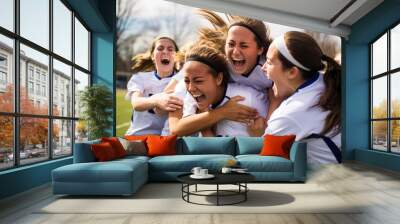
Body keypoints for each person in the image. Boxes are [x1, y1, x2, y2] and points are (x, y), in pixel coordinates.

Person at [261, 31, 341, 164]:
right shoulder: (328, 81)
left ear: (292, 72)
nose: (263, 67)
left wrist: (256, 131)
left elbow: (263, 162)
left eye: (269, 62)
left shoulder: (290, 113)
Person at [169, 43, 266, 137]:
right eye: (186, 81)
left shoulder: (248, 99)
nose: (191, 88)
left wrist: (258, 138)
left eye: (198, 81)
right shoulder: (193, 98)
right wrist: (222, 112)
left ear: (219, 78)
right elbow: (176, 130)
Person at [125, 36, 183, 136]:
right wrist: (156, 100)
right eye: (160, 48)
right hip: (138, 136)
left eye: (170, 49)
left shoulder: (182, 81)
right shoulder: (140, 78)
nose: (165, 52)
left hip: (167, 139)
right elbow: (136, 103)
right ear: (152, 55)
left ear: (176, 57)